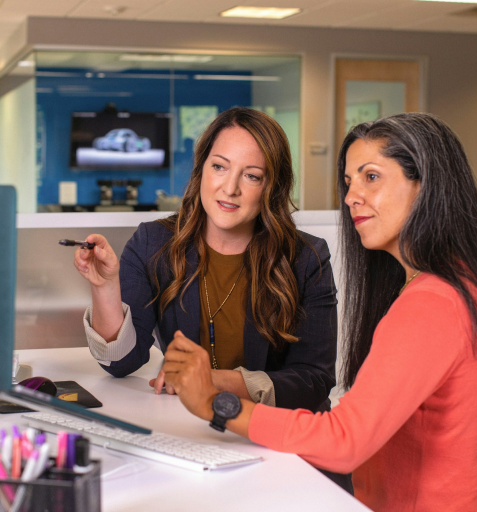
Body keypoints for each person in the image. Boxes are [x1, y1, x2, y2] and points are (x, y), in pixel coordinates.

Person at [160, 113, 477, 511]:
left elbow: (344, 441)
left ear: (427, 186)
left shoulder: (433, 303)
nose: (352, 196)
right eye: (350, 181)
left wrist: (215, 404)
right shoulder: (459, 281)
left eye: (371, 177)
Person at [74, 107, 351, 492]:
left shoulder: (306, 257)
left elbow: (314, 381)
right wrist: (105, 287)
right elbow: (122, 363)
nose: (229, 188)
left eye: (251, 176)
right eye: (219, 167)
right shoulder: (153, 243)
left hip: (282, 449)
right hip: (194, 440)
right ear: (201, 169)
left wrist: (214, 383)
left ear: (271, 187)